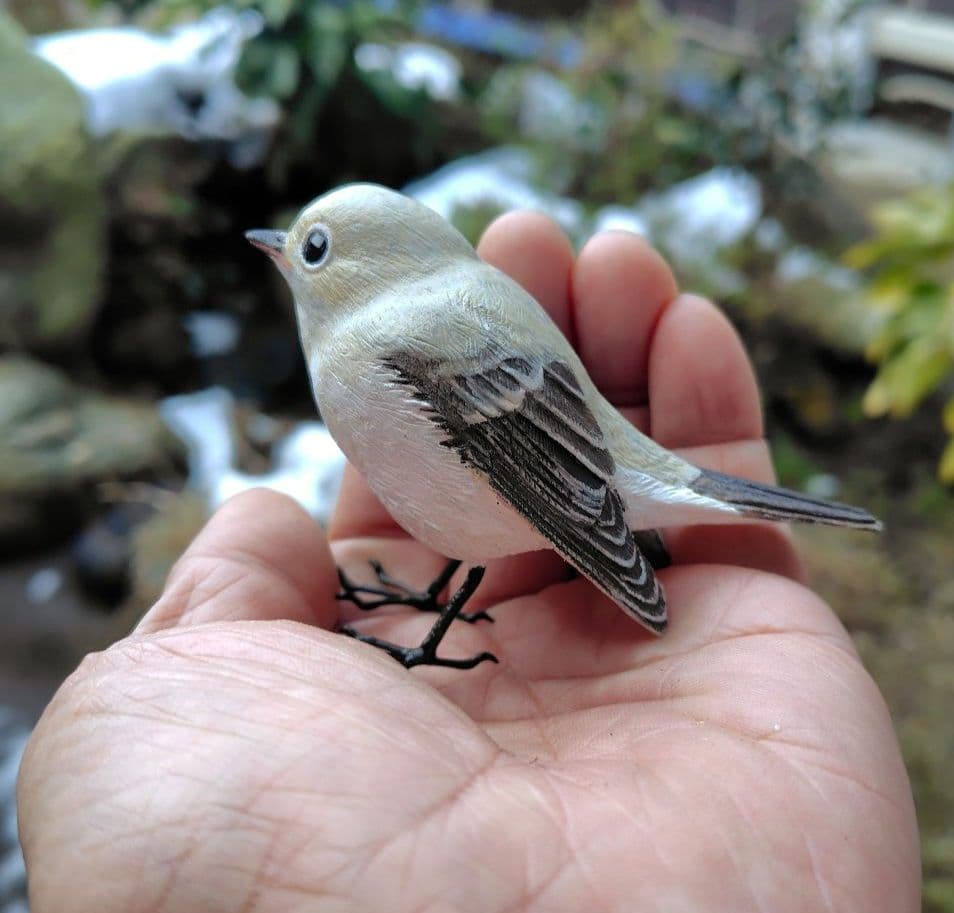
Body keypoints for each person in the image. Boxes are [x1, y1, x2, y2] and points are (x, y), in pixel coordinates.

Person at [17, 214, 920, 912]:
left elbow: (519, 455)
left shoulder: (389, 340)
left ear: (372, 258)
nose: (288, 254)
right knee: (470, 535)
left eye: (315, 247)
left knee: (482, 534)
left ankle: (433, 629)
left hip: (551, 477)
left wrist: (599, 540)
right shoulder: (422, 314)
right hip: (542, 480)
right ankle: (440, 605)